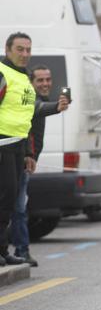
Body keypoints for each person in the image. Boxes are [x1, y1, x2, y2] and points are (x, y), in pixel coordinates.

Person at [9, 65, 69, 266]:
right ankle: (21, 250)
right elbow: (34, 112)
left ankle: (19, 250)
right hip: (17, 161)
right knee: (17, 208)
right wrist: (29, 154)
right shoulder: (28, 99)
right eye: (40, 80)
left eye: (48, 79)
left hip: (24, 162)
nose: (45, 84)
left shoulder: (39, 99)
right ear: (31, 83)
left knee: (18, 208)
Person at [0, 32, 37, 266]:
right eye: (20, 49)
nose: (25, 54)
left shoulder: (23, 77)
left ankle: (2, 250)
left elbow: (26, 117)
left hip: (16, 146)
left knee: (10, 201)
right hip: (1, 144)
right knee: (4, 198)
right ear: (8, 49)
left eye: (28, 50)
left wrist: (28, 153)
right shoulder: (3, 73)